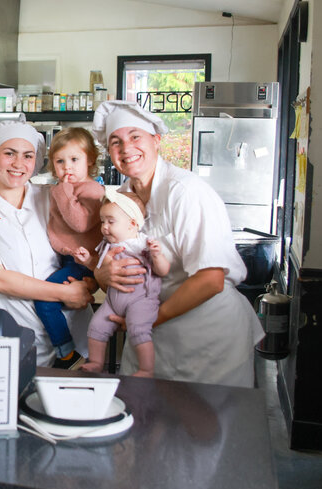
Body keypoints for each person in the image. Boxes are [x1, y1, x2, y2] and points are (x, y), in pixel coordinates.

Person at [92, 100, 263, 387]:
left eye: (136, 137)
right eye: (116, 142)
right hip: (150, 335)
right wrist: (102, 275)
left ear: (157, 141)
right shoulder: (119, 199)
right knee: (145, 421)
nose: (126, 148)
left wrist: (149, 320)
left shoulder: (186, 191)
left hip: (207, 336)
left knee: (207, 427)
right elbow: (116, 267)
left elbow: (211, 279)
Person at [0, 121, 94, 366]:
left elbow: (88, 246)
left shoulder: (54, 197)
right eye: (9, 153)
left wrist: (91, 281)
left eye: (27, 156)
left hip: (78, 339)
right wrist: (64, 292)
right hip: (12, 338)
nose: (18, 164)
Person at [79, 189, 170, 377]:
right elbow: (100, 271)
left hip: (141, 300)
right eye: (103, 221)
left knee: (138, 329)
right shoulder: (106, 245)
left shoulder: (145, 245)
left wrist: (157, 255)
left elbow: (163, 271)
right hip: (113, 301)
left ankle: (146, 369)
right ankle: (96, 362)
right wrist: (88, 260)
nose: (104, 227)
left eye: (111, 221)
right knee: (96, 326)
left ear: (133, 224)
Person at [33, 127, 104, 369]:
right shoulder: (63, 189)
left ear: (90, 160)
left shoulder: (91, 190)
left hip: (83, 261)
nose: (67, 167)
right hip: (67, 258)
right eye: (60, 161)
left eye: (75, 160)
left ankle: (66, 354)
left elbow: (80, 222)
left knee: (45, 301)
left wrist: (63, 191)